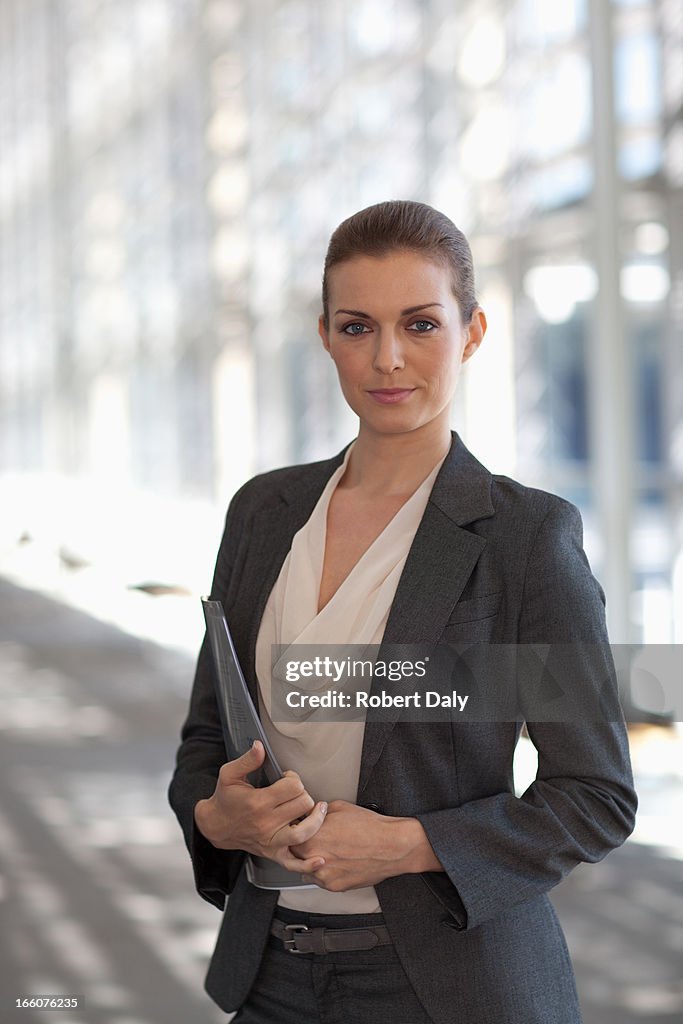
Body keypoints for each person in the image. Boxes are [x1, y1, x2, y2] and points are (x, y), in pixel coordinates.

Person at [168, 200, 637, 1024]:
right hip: (269, 974)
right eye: (357, 328)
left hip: (449, 984)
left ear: (472, 332)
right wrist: (215, 813)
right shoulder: (263, 513)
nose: (387, 359)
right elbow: (207, 738)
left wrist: (407, 844)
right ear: (324, 337)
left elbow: (593, 794)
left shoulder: (524, 537)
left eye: (420, 324)